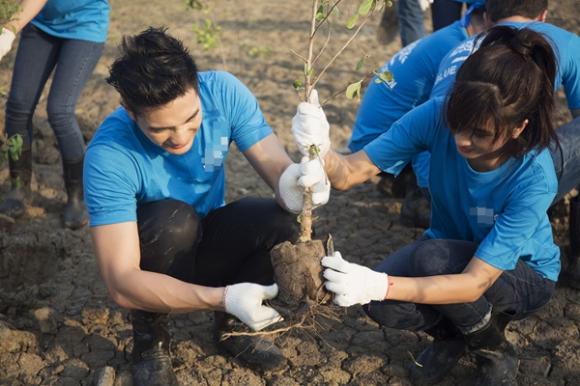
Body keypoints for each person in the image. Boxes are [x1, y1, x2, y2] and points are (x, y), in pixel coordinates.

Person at [293, 26, 564, 385]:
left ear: (518, 128)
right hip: (447, 249)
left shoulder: (534, 175)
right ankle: (455, 336)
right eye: (457, 122)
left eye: (480, 133)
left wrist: (379, 283)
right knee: (383, 305)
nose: (460, 139)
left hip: (524, 275)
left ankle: (494, 348)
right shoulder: (435, 115)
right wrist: (320, 151)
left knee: (426, 263)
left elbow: (472, 283)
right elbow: (350, 172)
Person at [84, 27, 329, 385]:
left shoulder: (224, 93)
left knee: (280, 222)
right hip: (156, 258)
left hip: (211, 237)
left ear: (197, 86)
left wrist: (297, 182)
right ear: (129, 111)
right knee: (173, 221)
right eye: (161, 130)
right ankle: (152, 339)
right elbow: (122, 282)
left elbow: (277, 171)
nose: (181, 137)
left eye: (190, 119)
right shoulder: (109, 155)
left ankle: (236, 327)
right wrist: (222, 297)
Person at [428, 0, 580, 283]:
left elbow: (426, 121)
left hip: (443, 183)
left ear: (486, 16)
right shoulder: (563, 41)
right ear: (543, 16)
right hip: (500, 179)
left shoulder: (458, 47)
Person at [351, 0, 487, 227]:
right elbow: (431, 123)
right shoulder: (459, 52)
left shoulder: (453, 36)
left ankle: (402, 181)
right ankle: (418, 199)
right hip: (376, 146)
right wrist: (430, 193)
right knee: (453, 125)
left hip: (373, 137)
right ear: (487, 17)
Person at [0, 0, 110, 229]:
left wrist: (9, 29)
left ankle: (77, 197)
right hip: (40, 24)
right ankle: (19, 188)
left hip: (85, 26)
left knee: (59, 111)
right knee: (18, 108)